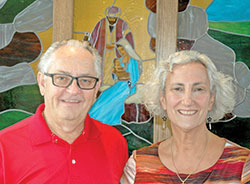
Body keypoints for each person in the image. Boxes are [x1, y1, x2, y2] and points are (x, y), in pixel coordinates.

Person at [0, 39, 128, 183]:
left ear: (96, 87)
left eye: (85, 80)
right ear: (42, 83)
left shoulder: (115, 142)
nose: (73, 90)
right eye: (61, 78)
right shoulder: (4, 148)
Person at [121, 50, 250, 184]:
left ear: (212, 99)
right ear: (163, 99)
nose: (187, 101)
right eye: (178, 89)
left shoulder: (242, 165)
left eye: (198, 89)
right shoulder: (139, 166)